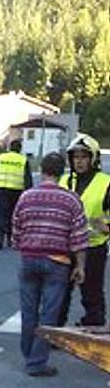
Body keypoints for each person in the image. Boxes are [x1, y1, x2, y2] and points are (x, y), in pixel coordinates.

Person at [11, 151, 87, 377]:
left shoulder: (26, 197)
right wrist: (80, 266)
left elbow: (16, 228)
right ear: (62, 172)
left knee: (28, 310)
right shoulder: (71, 199)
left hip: (29, 259)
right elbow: (79, 237)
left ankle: (28, 355)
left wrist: (23, 247)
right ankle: (36, 362)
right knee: (49, 314)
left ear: (41, 171)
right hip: (57, 262)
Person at [57, 133, 110, 327]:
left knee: (92, 292)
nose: (79, 162)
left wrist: (106, 227)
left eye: (84, 157)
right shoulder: (63, 181)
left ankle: (94, 326)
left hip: (93, 247)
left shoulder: (105, 182)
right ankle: (56, 330)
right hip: (65, 246)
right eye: (76, 157)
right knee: (60, 293)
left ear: (93, 158)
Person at [0, 139, 33, 249]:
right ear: (20, 149)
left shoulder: (1, 158)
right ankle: (10, 238)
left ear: (10, 147)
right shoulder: (23, 160)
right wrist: (28, 194)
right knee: (13, 214)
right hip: (16, 190)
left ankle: (0, 237)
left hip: (1, 189)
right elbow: (28, 179)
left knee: (2, 213)